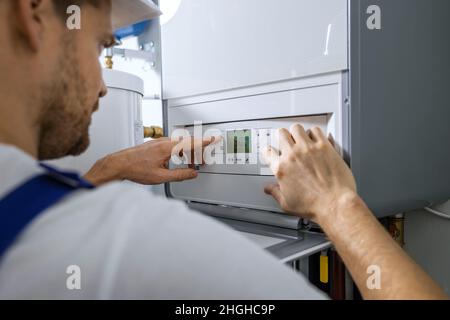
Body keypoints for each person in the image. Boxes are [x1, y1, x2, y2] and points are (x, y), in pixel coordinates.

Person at [0, 0, 446, 300]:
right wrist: (336, 202)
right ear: (34, 14)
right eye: (100, 46)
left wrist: (109, 168)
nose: (101, 85)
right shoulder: (132, 246)